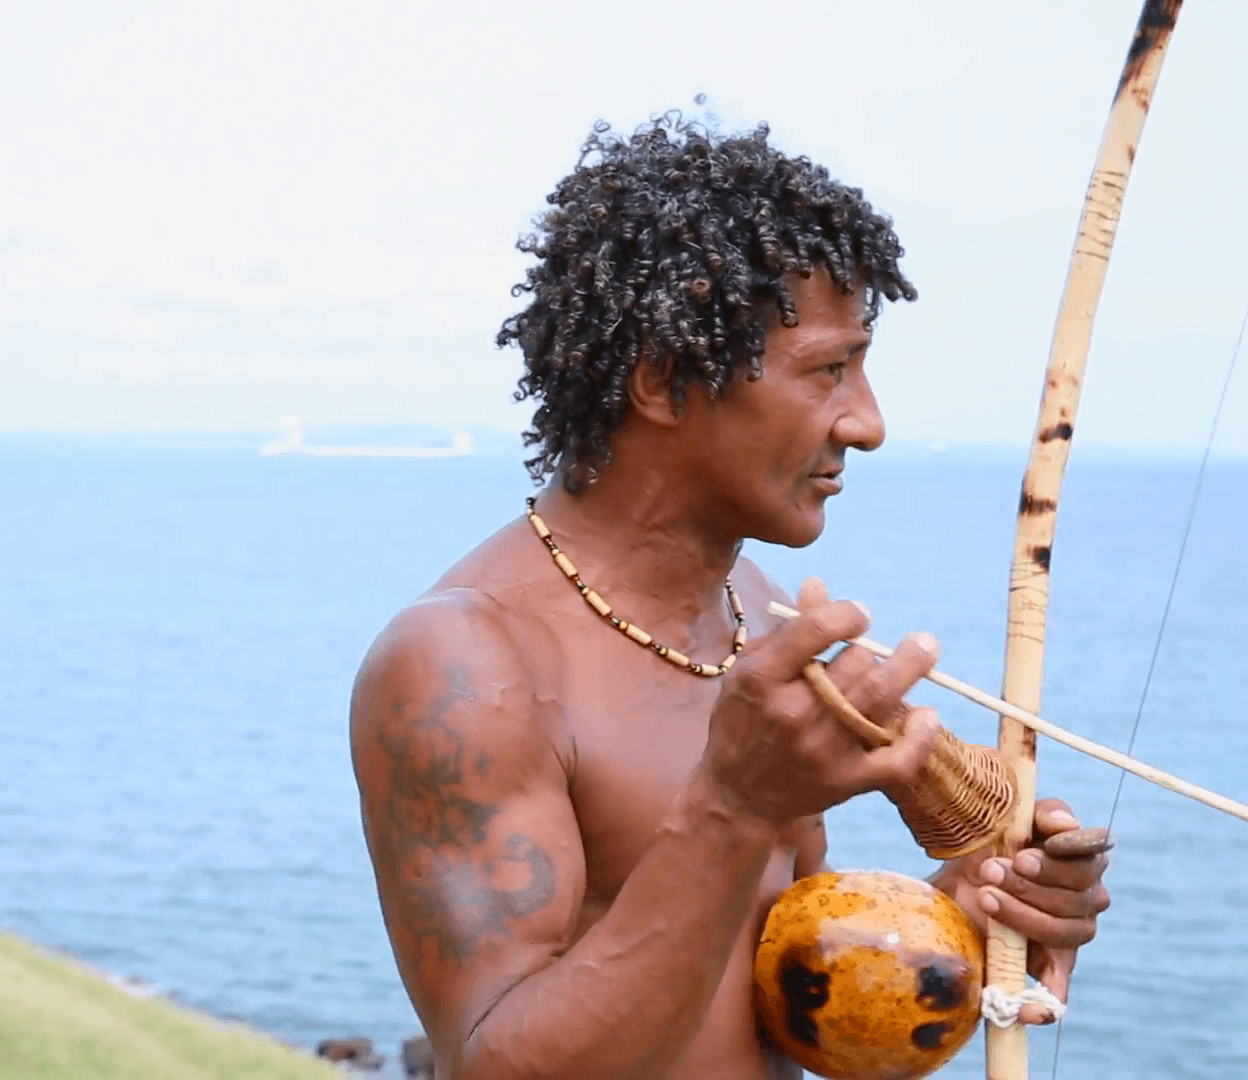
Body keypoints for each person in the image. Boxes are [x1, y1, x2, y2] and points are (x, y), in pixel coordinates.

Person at [347, 114, 1112, 1080]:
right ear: (665, 382)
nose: (868, 423)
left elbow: (767, 1007)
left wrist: (965, 922)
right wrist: (734, 805)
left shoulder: (755, 605)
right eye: (828, 370)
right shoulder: (462, 662)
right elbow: (501, 1065)